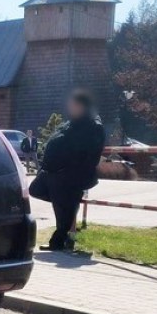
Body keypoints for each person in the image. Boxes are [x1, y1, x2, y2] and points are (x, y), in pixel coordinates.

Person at [39, 91, 105, 251]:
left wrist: (77, 171)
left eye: (74, 105)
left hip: (73, 176)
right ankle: (62, 240)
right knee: (57, 203)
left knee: (67, 208)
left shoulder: (93, 126)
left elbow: (90, 153)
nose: (71, 108)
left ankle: (61, 242)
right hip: (57, 173)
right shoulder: (73, 123)